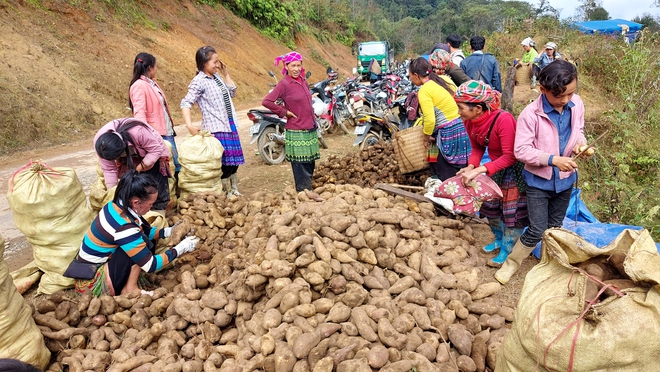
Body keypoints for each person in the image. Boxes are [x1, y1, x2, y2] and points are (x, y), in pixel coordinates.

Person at [495, 60, 590, 285]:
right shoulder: (530, 114)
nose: (565, 100)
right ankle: (511, 264)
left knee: (555, 227)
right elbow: (521, 150)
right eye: (559, 96)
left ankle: (550, 266)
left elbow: (579, 131)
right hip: (539, 182)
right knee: (537, 228)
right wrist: (552, 160)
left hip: (565, 181)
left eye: (570, 93)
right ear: (543, 89)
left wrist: (581, 145)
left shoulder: (576, 104)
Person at [69, 170, 199, 296]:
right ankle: (130, 288)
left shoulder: (116, 206)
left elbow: (144, 231)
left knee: (141, 240)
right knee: (142, 244)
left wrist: (170, 231)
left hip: (88, 269)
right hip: (92, 283)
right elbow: (150, 265)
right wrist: (181, 248)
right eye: (150, 204)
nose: (151, 208)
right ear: (136, 202)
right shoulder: (124, 227)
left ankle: (128, 284)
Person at [454, 80, 529, 264]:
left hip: (512, 169)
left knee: (510, 211)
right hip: (494, 166)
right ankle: (498, 238)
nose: (458, 112)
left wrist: (480, 169)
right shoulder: (470, 121)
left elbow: (511, 156)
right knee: (490, 207)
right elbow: (477, 147)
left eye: (461, 107)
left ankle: (508, 248)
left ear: (478, 108)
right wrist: (471, 166)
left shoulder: (503, 119)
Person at [181, 45, 244, 196]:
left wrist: (225, 73)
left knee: (234, 162)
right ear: (204, 63)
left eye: (218, 61)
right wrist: (189, 125)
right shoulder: (199, 81)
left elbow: (232, 92)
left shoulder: (217, 77)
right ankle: (225, 192)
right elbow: (186, 103)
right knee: (223, 164)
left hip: (229, 124)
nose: (217, 64)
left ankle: (234, 189)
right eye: (214, 62)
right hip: (216, 127)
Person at [262, 52, 320, 192]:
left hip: (310, 128)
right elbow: (267, 101)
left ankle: (307, 191)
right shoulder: (284, 84)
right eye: (293, 65)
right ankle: (303, 192)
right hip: (296, 129)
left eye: (298, 65)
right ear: (286, 66)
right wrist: (284, 112)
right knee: (301, 164)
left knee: (310, 163)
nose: (296, 69)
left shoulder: (302, 81)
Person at [409, 57, 471, 181]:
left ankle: (447, 191)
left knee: (447, 171)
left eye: (410, 75)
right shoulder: (441, 80)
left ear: (416, 75)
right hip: (461, 126)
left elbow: (430, 119)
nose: (410, 78)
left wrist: (425, 137)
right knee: (460, 166)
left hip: (448, 131)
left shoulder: (424, 90)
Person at [94, 118, 171, 212]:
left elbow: (155, 150)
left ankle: (157, 210)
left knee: (154, 183)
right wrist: (112, 192)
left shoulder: (138, 132)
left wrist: (139, 168)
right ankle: (136, 209)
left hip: (152, 151)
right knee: (130, 183)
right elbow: (109, 169)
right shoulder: (101, 145)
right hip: (129, 155)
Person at [128, 52, 181, 178]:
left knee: (174, 164)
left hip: (166, 130)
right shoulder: (139, 86)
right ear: (150, 67)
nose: (157, 69)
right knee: (166, 166)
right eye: (156, 66)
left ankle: (176, 192)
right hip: (156, 134)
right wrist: (144, 135)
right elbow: (140, 112)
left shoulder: (151, 83)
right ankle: (168, 193)